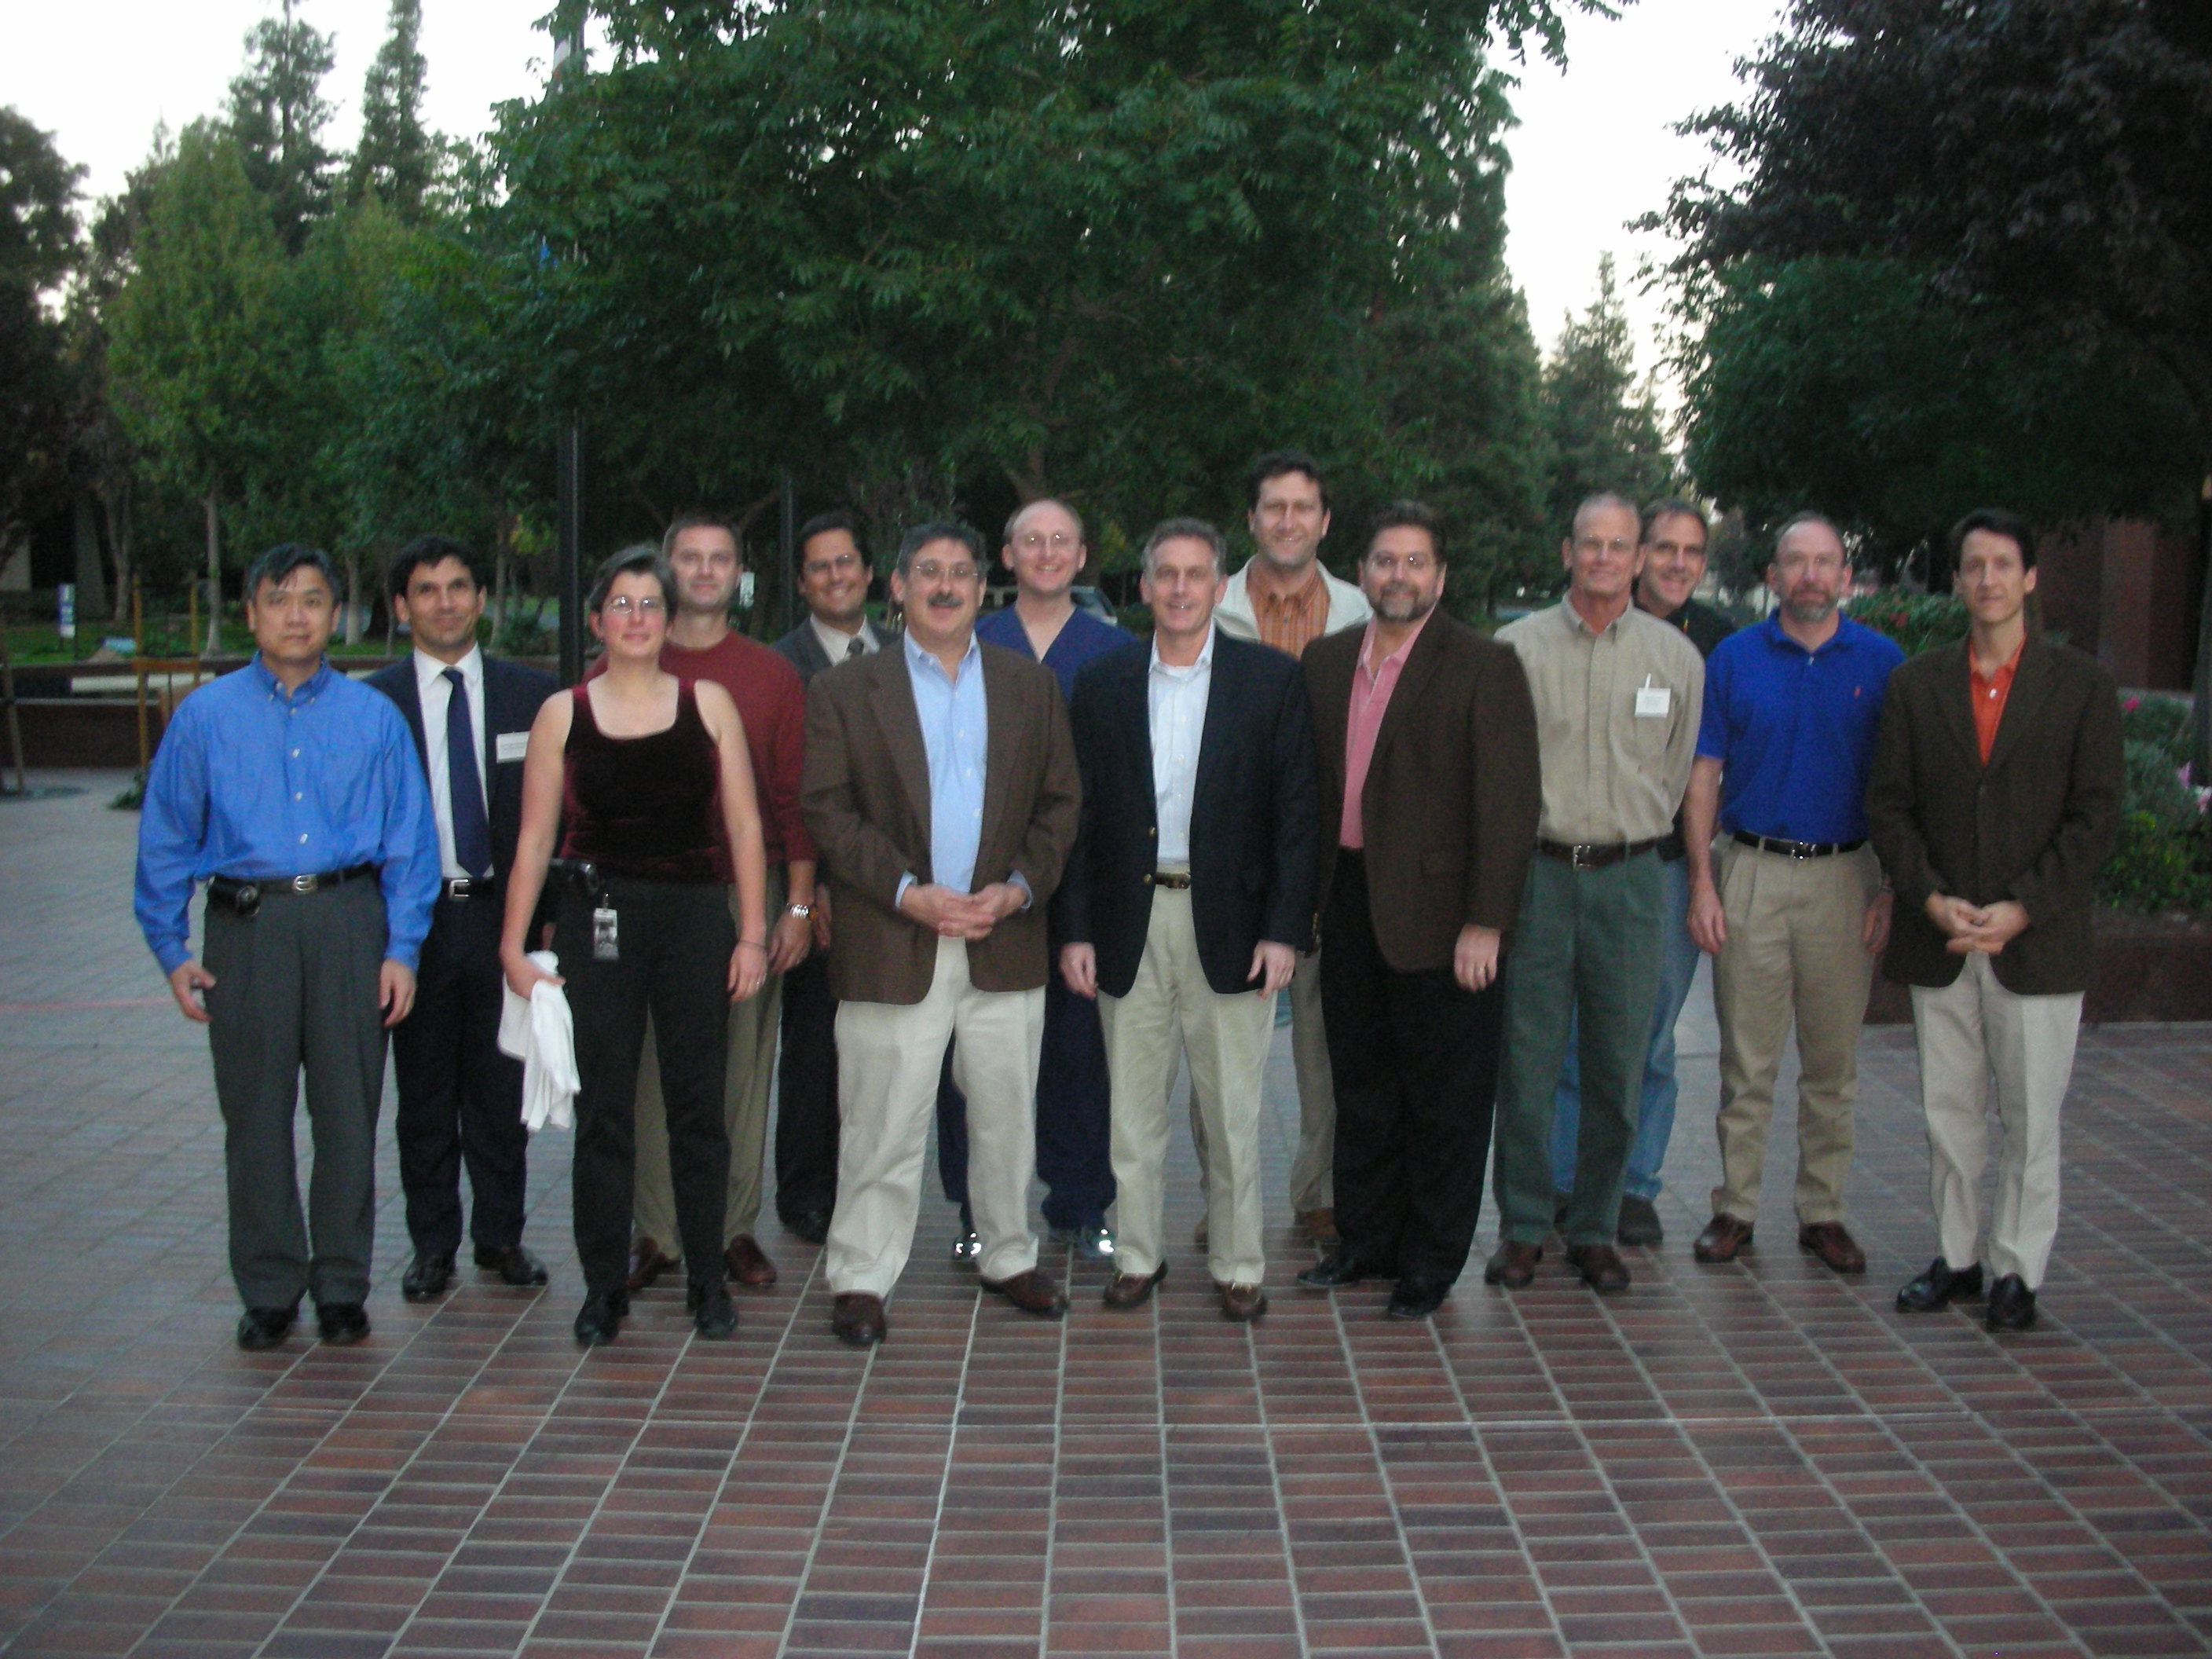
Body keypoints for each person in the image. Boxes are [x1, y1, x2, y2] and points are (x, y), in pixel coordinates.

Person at [134, 543, 438, 1350]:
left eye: (312, 599)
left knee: (348, 1114)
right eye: (278, 599)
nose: (296, 614)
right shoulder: (206, 717)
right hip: (248, 929)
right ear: (250, 614)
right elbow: (165, 836)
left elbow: (411, 844)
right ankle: (269, 1288)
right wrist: (170, 947)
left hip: (348, 923)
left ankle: (342, 1284)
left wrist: (401, 947)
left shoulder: (374, 718)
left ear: (335, 613)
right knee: (256, 1118)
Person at [799, 521, 1080, 1348]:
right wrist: (904, 892)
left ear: (979, 586)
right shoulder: (847, 691)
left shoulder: (1028, 687)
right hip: (894, 940)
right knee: (880, 1124)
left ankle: (1008, 1254)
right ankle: (859, 1274)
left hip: (1002, 937)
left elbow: (1060, 806)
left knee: (1004, 1120)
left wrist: (1018, 888)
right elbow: (826, 808)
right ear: (897, 586)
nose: (946, 586)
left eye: (961, 572)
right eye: (928, 572)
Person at [500, 547, 770, 1347]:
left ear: (668, 618)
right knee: (605, 1116)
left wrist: (751, 931)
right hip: (599, 924)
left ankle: (705, 1281)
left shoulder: (707, 704)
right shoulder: (564, 714)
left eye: (649, 604)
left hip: (693, 920)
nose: (637, 618)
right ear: (595, 621)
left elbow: (746, 827)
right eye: (621, 605)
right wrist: (513, 947)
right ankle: (602, 1289)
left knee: (697, 1109)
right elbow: (534, 839)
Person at [1866, 507, 2122, 1332]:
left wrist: (2021, 907)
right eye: (1971, 566)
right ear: (1954, 581)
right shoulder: (1914, 686)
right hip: (1940, 933)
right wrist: (1930, 896)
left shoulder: (2080, 689)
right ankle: (1957, 1259)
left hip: (2033, 943)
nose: (1986, 580)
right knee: (1948, 1113)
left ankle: (2016, 1269)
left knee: (2028, 1118)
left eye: (2001, 565)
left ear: (2028, 577)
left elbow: (2093, 818)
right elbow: (1889, 806)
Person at [1059, 518, 1317, 1322]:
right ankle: (1136, 1256)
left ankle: (1239, 1265)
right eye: (1162, 574)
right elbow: (1078, 817)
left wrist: (1282, 929)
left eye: (1193, 574)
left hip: (1233, 929)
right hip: (1126, 925)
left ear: (1216, 585)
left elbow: (1296, 818)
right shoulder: (1101, 685)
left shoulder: (1269, 682)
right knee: (1130, 1115)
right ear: (1142, 588)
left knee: (1231, 1115)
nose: (1177, 589)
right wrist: (1073, 929)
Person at [1296, 502, 1540, 1319]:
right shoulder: (1325, 663)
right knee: (1361, 1088)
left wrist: (1486, 922)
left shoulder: (1483, 665)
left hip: (1445, 919)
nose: (1396, 575)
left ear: (1438, 576)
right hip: (1350, 900)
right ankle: (1365, 1242)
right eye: (1382, 560)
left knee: (1445, 1099)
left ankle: (1430, 1263)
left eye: (1414, 562)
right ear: (1360, 572)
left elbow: (1507, 807)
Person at [1488, 492, 1703, 1294]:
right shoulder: (1514, 649)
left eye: (1619, 547)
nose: (1604, 559)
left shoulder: (1675, 658)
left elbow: (1676, 769)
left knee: (1618, 1059)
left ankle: (1594, 1226)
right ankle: (1521, 1226)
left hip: (1632, 880)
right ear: (1566, 551)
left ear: (1639, 557)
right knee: (1528, 1060)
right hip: (1538, 877)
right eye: (1590, 545)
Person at [1683, 513, 1903, 1275]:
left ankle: (1821, 1212)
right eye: (1794, 563)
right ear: (1771, 577)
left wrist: (1890, 888)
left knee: (1830, 1063)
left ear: (1844, 577)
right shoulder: (1735, 658)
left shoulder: (1880, 661)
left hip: (1848, 877)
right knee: (1745, 1065)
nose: (1809, 575)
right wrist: (1701, 881)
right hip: (1750, 870)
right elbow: (1703, 774)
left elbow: (1903, 786)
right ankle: (1733, 1209)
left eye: (1825, 563)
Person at [604, 513, 815, 1298]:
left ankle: (728, 1228)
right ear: (663, 567)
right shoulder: (621, 662)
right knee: (652, 1073)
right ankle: (657, 1231)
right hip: (646, 891)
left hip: (742, 897)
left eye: (717, 558)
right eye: (686, 558)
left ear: (738, 574)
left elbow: (792, 800)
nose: (701, 571)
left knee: (740, 1069)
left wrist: (794, 908)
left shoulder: (768, 674)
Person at [369, 536, 558, 1302]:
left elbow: (556, 818)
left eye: (457, 587)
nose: (444, 601)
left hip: (502, 920)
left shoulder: (532, 697)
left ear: (481, 598)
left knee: (499, 1090)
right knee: (422, 1095)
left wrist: (544, 924)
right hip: (413, 929)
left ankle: (500, 1237)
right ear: (400, 606)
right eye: (426, 589)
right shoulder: (373, 704)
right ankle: (433, 1246)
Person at [949, 498, 1130, 1266]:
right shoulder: (967, 641)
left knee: (1077, 1048)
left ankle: (1079, 1203)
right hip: (985, 880)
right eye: (1032, 541)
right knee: (972, 1052)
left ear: (1082, 555)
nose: (1047, 553)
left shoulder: (1115, 652)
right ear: (1007, 553)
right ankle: (975, 1210)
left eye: (1061, 541)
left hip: (1084, 874)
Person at [1547, 500, 1732, 1247]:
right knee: (1569, 1037)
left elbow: (1706, 768)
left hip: (1661, 870)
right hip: (1572, 867)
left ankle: (1635, 1186)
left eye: (1692, 551)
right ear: (1632, 556)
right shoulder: (1572, 633)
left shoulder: (1718, 645)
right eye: (1663, 548)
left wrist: (1700, 878)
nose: (1678, 564)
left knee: (1650, 1038)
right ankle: (1566, 1182)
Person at [1210, 449, 1371, 1246]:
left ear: (1323, 520)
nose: (1286, 520)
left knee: (1325, 1044)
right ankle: (1222, 1203)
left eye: (1301, 507)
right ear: (1250, 519)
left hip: (1331, 861)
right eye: (1272, 506)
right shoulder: (1202, 605)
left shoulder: (1363, 611)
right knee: (1222, 1053)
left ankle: (1320, 1193)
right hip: (1227, 858)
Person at [771, 511, 891, 1245]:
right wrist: (803, 887)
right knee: (813, 1049)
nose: (836, 576)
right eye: (820, 567)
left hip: (894, 890)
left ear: (870, 573)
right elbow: (787, 789)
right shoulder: (781, 666)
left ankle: (870, 1184)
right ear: (801, 582)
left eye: (847, 562)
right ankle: (806, 1191)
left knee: (884, 1048)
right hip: (816, 891)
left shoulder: (909, 654)